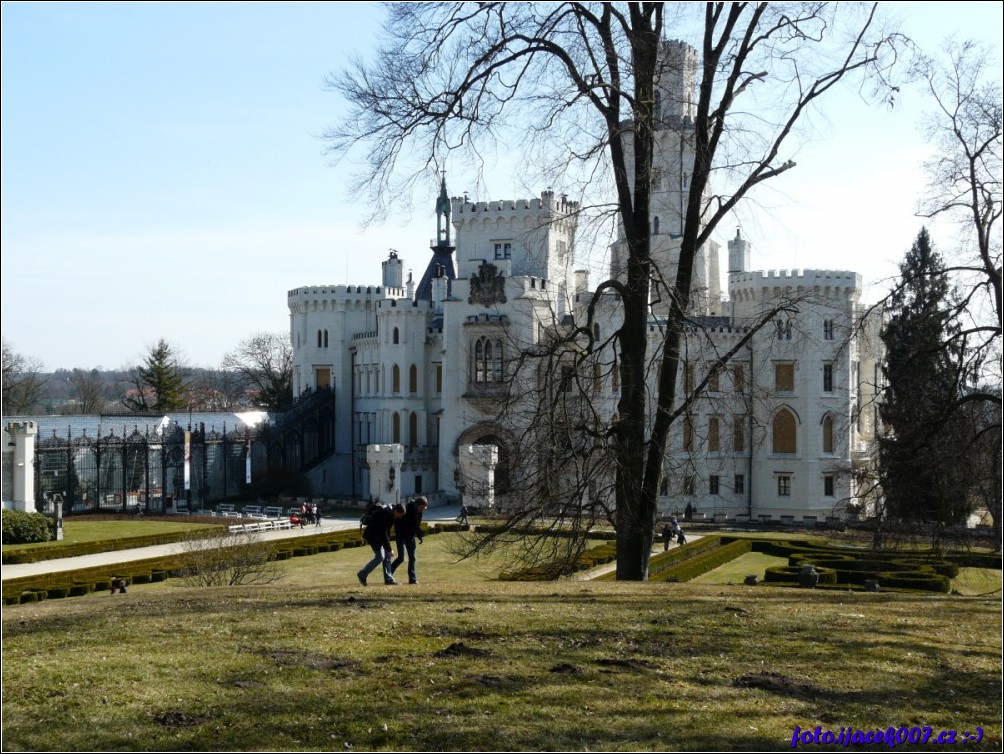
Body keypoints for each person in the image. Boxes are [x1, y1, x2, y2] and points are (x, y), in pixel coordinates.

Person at [358, 502, 405, 586]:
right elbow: (383, 533)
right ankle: (362, 574)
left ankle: (389, 579)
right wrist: (389, 549)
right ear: (396, 511)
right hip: (373, 536)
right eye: (400, 515)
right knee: (380, 557)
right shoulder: (386, 514)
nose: (400, 517)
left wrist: (388, 549)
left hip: (379, 536)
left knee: (387, 556)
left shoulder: (391, 513)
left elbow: (386, 532)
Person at [391, 496, 428, 584]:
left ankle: (412, 579)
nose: (423, 509)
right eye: (422, 507)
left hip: (410, 537)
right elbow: (398, 521)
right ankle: (389, 574)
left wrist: (419, 535)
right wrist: (399, 532)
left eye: (424, 508)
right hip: (401, 536)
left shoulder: (419, 513)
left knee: (412, 558)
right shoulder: (407, 509)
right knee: (401, 558)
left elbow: (417, 525)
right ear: (417, 505)